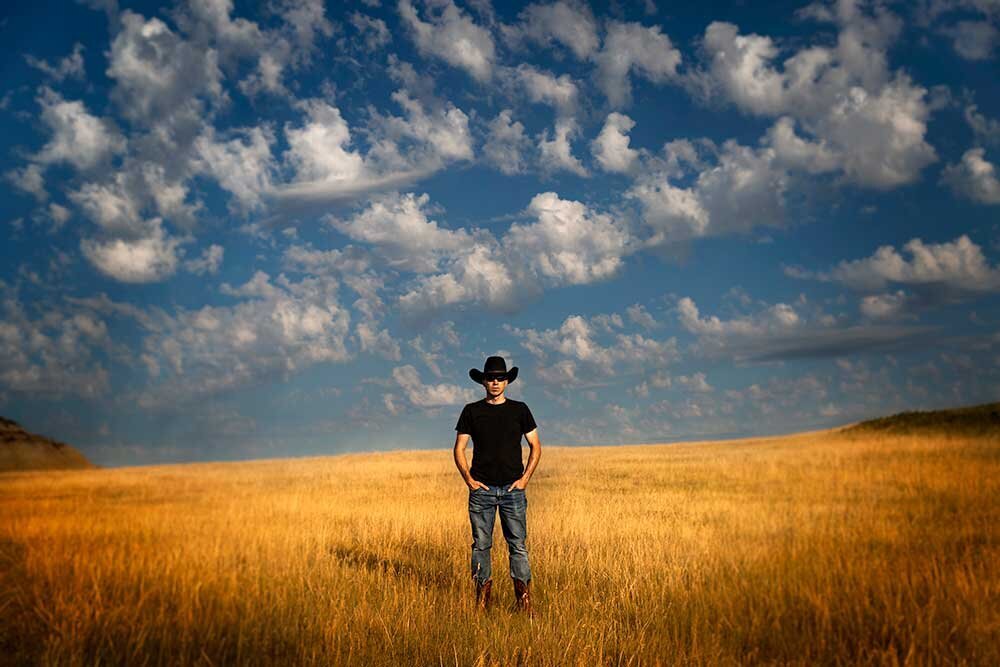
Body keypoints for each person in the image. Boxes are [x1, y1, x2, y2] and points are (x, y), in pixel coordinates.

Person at [453, 356, 541, 616]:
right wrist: (470, 481)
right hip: (482, 492)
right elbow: (459, 448)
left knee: (518, 545)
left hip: (513, 491)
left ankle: (524, 605)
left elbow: (536, 446)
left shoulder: (520, 410)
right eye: (490, 377)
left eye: (500, 378)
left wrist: (524, 479)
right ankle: (482, 604)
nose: (495, 382)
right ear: (483, 381)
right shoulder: (471, 411)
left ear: (507, 381)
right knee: (481, 546)